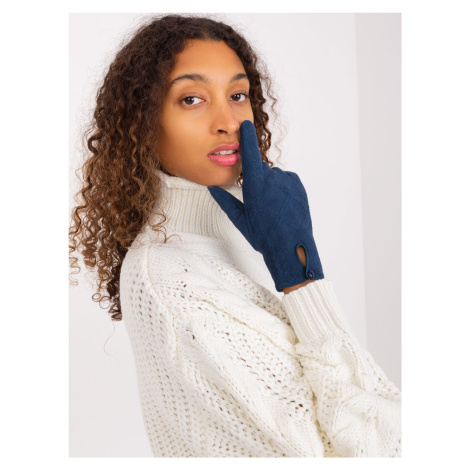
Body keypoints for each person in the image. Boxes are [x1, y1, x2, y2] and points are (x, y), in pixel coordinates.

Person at [69, 13, 401, 458]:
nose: (228, 121)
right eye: (191, 99)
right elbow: (371, 446)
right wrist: (300, 273)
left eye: (238, 95)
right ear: (144, 123)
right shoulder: (170, 280)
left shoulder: (238, 241)